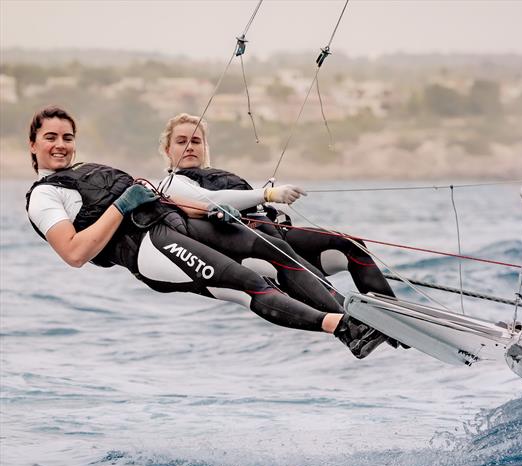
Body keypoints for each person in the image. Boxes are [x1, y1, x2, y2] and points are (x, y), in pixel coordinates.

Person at [24, 105, 385, 358]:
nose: (60, 145)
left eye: (67, 137)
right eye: (50, 137)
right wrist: (121, 206)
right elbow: (74, 253)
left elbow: (167, 201)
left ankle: (365, 320)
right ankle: (343, 327)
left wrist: (213, 209)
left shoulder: (86, 170)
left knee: (276, 253)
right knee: (249, 284)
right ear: (33, 145)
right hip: (148, 250)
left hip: (177, 224)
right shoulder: (45, 195)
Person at [156, 114, 404, 347]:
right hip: (252, 246)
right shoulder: (171, 182)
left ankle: (396, 321)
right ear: (169, 150)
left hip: (278, 235)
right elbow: (212, 200)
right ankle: (357, 330)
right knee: (301, 266)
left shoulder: (215, 174)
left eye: (195, 141)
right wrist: (269, 193)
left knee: (349, 245)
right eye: (181, 141)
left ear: (204, 147)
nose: (189, 146)